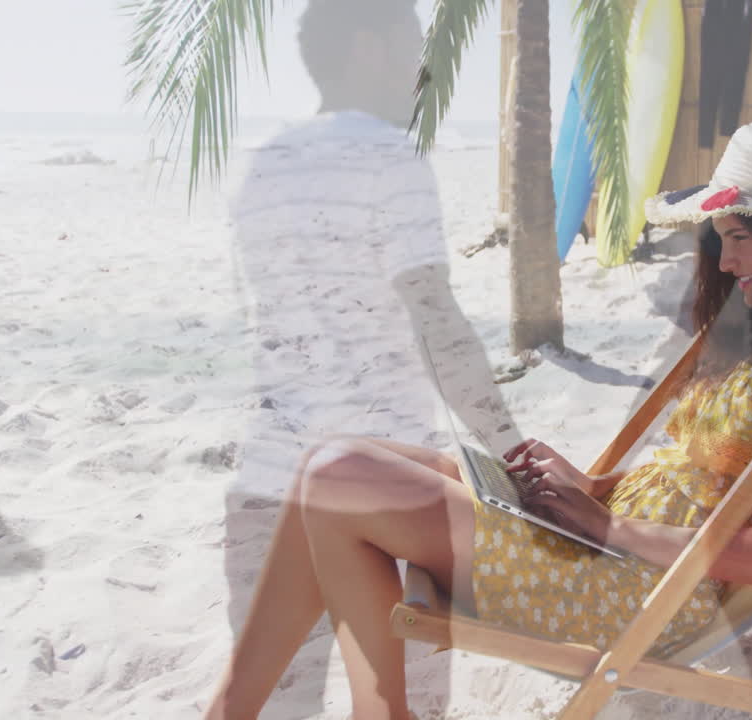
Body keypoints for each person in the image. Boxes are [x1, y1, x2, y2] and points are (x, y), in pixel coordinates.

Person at [205, 120, 752, 719]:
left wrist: (605, 524)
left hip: (629, 593)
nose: (725, 259)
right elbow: (710, 479)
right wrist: (594, 488)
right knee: (324, 471)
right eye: (720, 239)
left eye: (739, 238)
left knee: (336, 476)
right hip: (614, 555)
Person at [218, 0, 518, 717]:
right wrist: (510, 450)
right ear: (367, 46)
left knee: (262, 702)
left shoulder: (262, 165)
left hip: (269, 475)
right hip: (380, 494)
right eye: (412, 41)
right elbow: (434, 318)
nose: (423, 65)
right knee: (394, 700)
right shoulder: (388, 156)